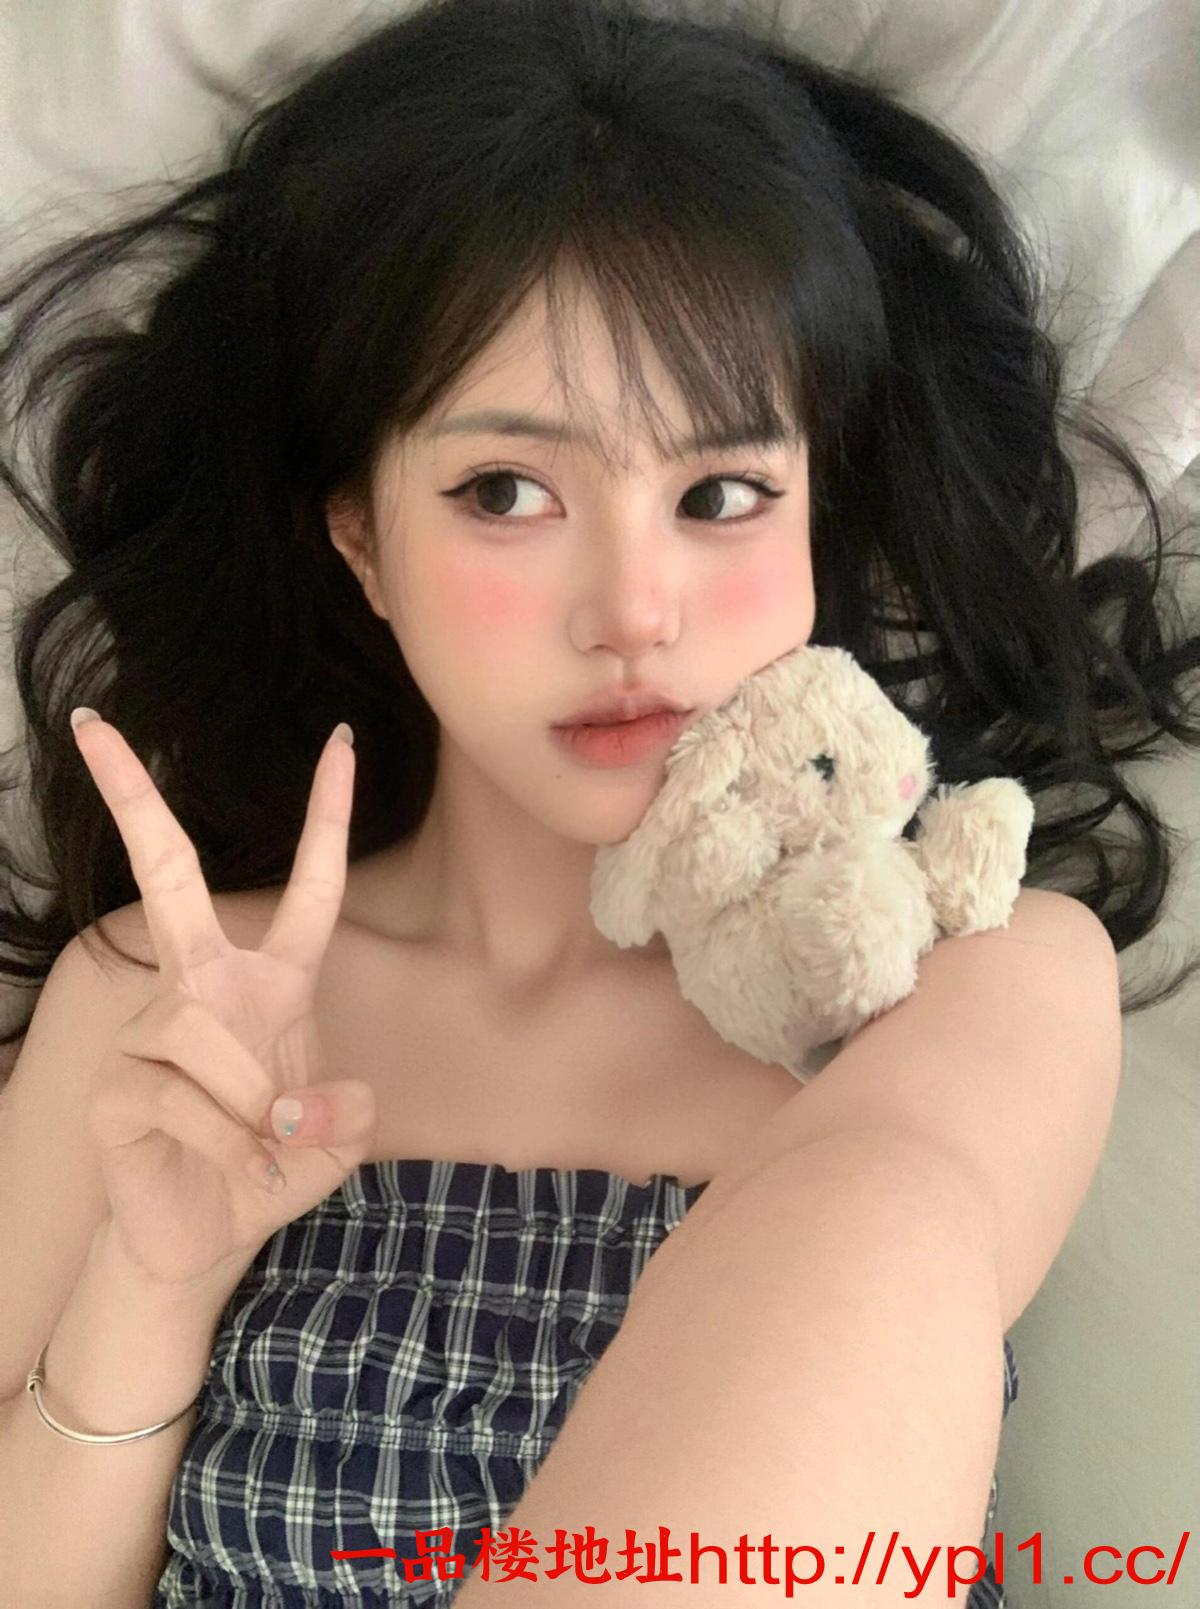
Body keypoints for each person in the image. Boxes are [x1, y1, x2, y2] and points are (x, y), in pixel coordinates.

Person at [0, 0, 1196, 1604]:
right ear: (360, 538)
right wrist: (148, 1286)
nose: (633, 607)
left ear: (817, 520)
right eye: (507, 491)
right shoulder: (152, 1011)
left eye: (722, 493)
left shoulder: (964, 987)